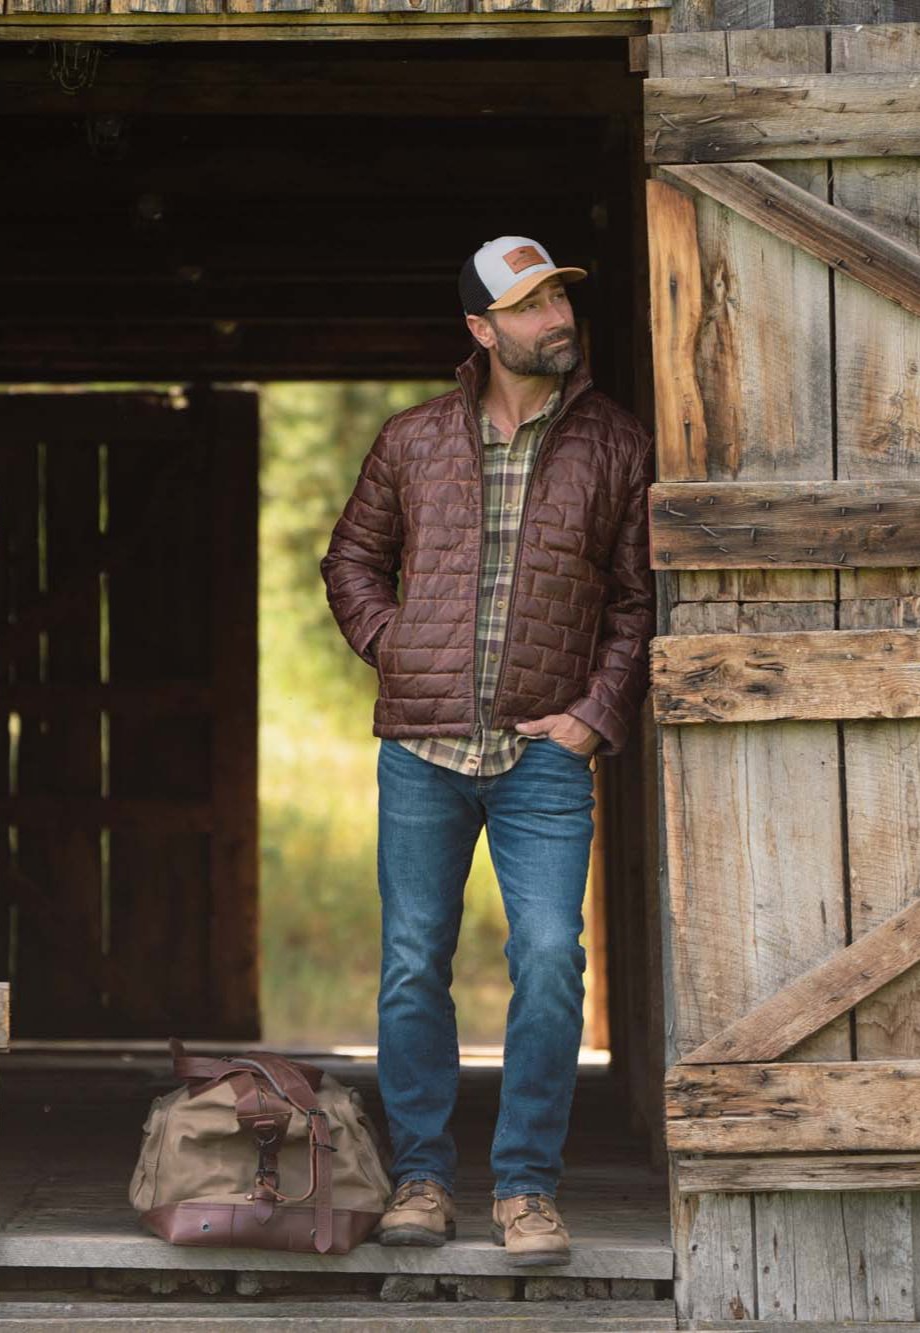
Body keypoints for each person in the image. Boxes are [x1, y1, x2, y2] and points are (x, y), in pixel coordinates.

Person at [320, 236, 654, 1265]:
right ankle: (422, 1176)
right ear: (482, 328)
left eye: (559, 295)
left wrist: (598, 709)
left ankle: (525, 1188)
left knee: (550, 960)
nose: (556, 315)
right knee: (416, 964)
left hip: (543, 753)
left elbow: (638, 600)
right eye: (531, 302)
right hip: (422, 752)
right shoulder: (413, 439)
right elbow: (350, 560)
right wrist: (400, 648)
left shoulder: (617, 447)